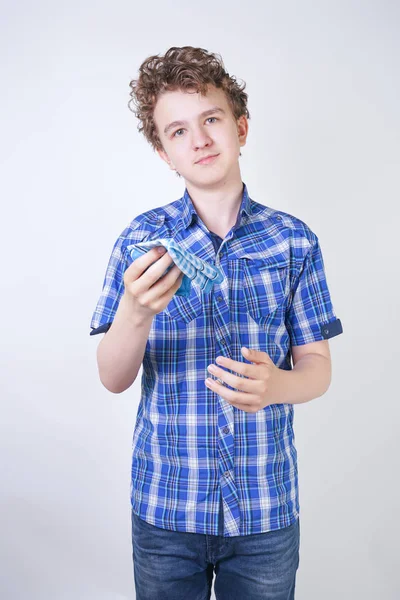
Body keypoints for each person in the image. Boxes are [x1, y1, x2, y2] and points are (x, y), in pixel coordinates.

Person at [89, 46, 343, 600]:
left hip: (264, 512)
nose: (199, 139)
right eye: (178, 131)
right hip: (165, 510)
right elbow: (112, 377)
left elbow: (318, 369)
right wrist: (134, 312)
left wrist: (278, 385)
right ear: (164, 153)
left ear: (240, 127)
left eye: (211, 119)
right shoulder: (140, 241)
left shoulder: (294, 240)